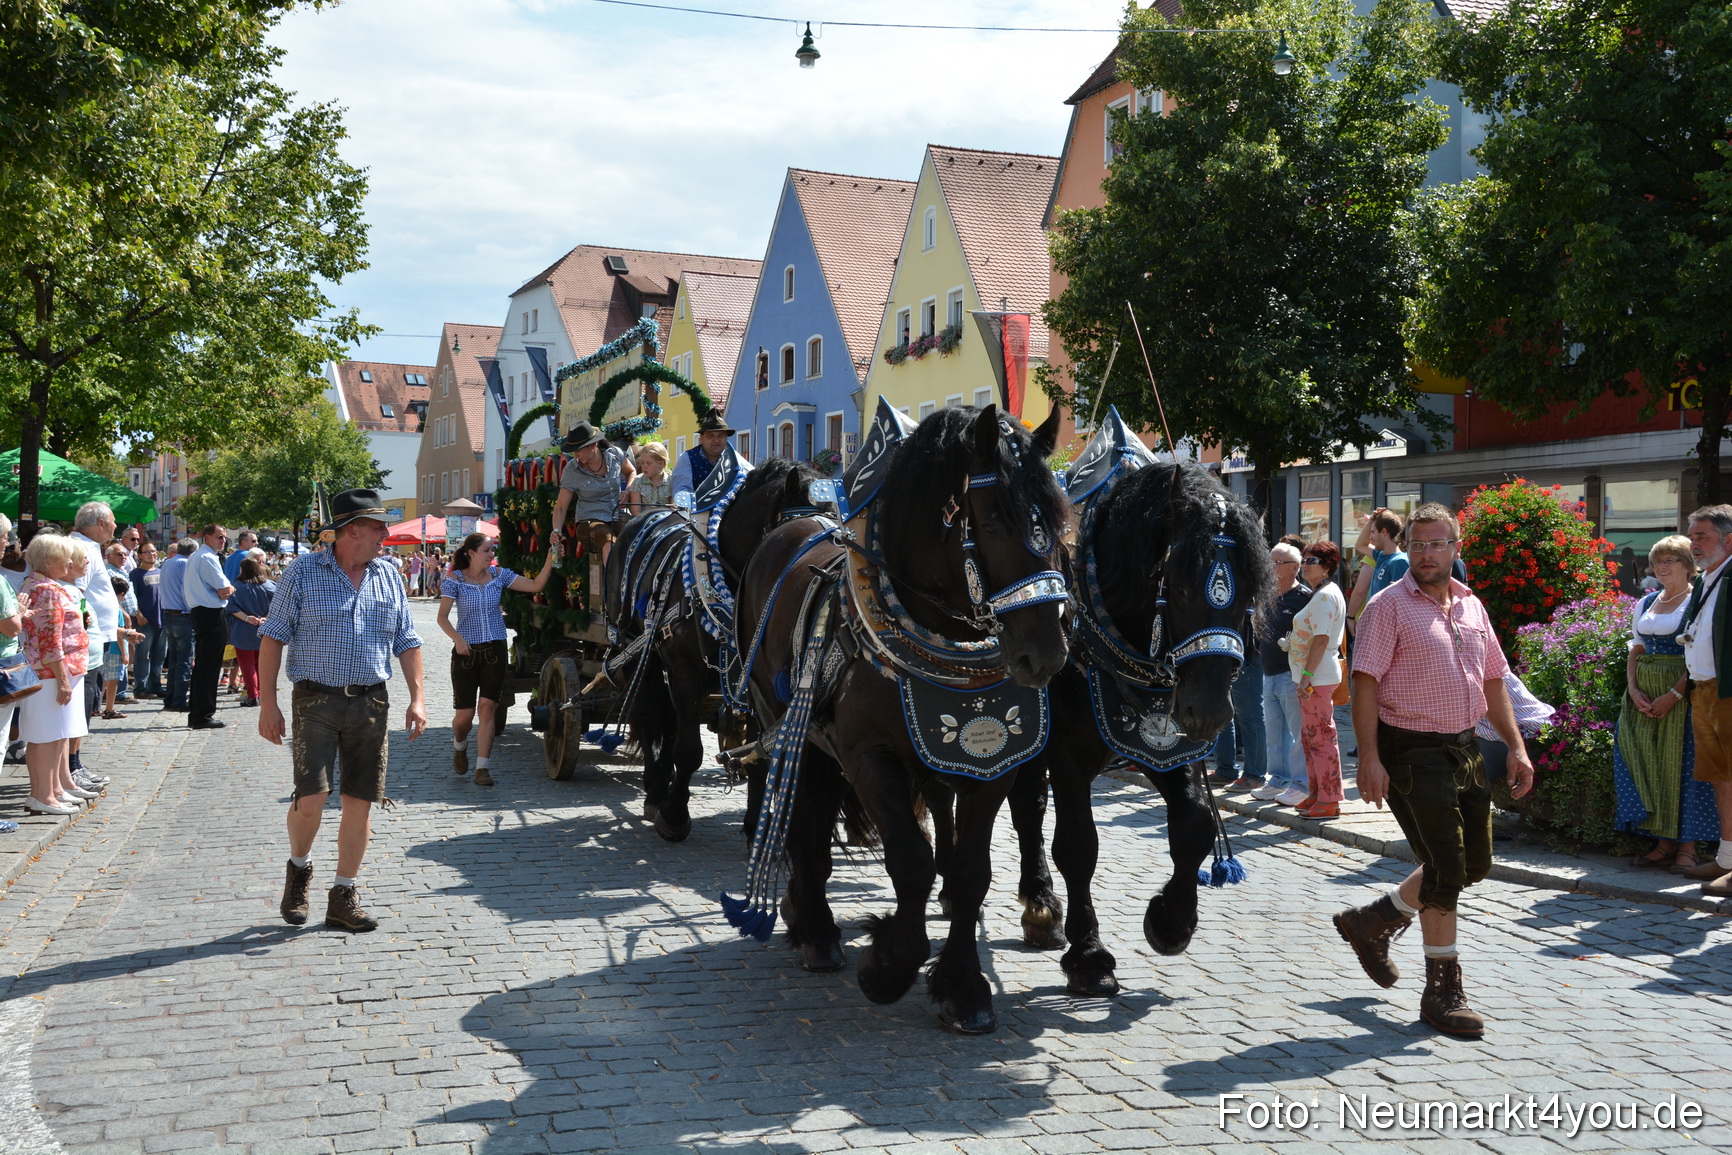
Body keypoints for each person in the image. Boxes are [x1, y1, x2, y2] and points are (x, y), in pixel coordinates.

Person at [1334, 502, 1533, 1039]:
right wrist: (1369, 758)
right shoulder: (1388, 607)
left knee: (1476, 863)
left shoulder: (1470, 604)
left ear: (1455, 548)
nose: (1426, 553)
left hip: (1465, 747)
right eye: (1418, 544)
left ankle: (1373, 919)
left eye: (1437, 543)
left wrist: (1515, 747)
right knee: (1446, 867)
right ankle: (1442, 990)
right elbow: (1365, 683)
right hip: (1410, 750)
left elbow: (1495, 681)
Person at [259, 488, 425, 933]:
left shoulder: (388, 574)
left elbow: (407, 640)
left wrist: (418, 698)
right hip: (315, 700)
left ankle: (343, 895)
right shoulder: (302, 572)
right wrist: (268, 704)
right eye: (378, 528)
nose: (385, 536)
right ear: (352, 530)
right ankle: (299, 870)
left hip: (371, 701)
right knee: (311, 799)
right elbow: (272, 637)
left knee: (359, 803)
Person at [1614, 537, 1719, 871]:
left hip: (1683, 692)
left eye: (1670, 560)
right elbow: (1637, 647)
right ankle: (1663, 843)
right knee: (1646, 762)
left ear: (1689, 565)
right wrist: (1632, 689)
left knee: (1683, 766)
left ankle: (1688, 848)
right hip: (1643, 693)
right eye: (1658, 561)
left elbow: (1699, 651)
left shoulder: (1698, 601)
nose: (1662, 567)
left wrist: (1674, 694)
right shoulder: (1646, 602)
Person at [437, 532, 558, 786]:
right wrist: (458, 639)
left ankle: (483, 768)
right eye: (487, 551)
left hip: (494, 650)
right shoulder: (455, 580)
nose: (492, 555)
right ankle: (460, 745)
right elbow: (442, 618)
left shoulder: (499, 575)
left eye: (493, 551)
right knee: (464, 718)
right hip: (465, 653)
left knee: (488, 708)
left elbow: (536, 585)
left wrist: (551, 555)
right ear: (471, 553)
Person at [18, 533, 103, 814]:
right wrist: (63, 678)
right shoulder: (46, 589)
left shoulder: (44, 585)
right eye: (65, 556)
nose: (70, 561)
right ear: (50, 560)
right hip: (49, 673)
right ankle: (42, 795)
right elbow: (48, 639)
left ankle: (53, 790)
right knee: (46, 734)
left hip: (55, 670)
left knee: (56, 733)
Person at [1672, 506, 1732, 897]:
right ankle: (1728, 858)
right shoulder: (1710, 578)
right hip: (1705, 691)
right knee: (1720, 776)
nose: (1694, 544)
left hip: (1728, 692)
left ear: (1729, 540)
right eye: (1692, 536)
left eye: (1702, 537)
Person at [1290, 540, 1348, 817]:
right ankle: (1317, 794)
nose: (1304, 565)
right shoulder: (1322, 593)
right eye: (1304, 559)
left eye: (1311, 561)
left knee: (1320, 737)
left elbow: (1322, 639)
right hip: (1314, 675)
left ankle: (1329, 798)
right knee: (1311, 736)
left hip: (1317, 676)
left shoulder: (1325, 596)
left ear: (1327, 566)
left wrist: (1306, 677)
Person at [1250, 544, 1311, 798]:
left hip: (1291, 673)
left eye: (1277, 563)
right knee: (1274, 733)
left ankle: (1301, 784)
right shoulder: (1266, 594)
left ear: (1295, 568)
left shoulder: (1305, 597)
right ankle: (1277, 779)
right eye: (1270, 561)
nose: (1271, 567)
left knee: (1298, 733)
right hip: (1269, 670)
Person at [549, 421, 636, 567]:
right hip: (589, 521)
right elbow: (561, 508)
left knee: (636, 532)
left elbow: (631, 471)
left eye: (578, 450)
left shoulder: (614, 454)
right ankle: (612, 584)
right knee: (606, 538)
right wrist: (556, 530)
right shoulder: (572, 471)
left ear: (592, 445)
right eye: (573, 451)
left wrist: (628, 490)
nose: (575, 455)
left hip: (617, 514)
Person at [184, 524, 234, 730]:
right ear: (207, 537)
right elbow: (225, 589)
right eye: (219, 537)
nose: (223, 541)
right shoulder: (206, 557)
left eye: (224, 538)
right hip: (210, 614)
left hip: (203, 612)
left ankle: (198, 713)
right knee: (209, 667)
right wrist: (230, 588)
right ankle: (203, 715)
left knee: (204, 666)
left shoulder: (198, 556)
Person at [1348, 508, 1408, 636]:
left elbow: (1402, 605)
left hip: (1387, 631)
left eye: (1373, 532)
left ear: (1384, 532)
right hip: (1376, 627)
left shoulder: (1399, 562)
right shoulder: (1381, 556)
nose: (1370, 538)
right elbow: (1360, 545)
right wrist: (1371, 520)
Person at [224, 557, 276, 708]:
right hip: (264, 630)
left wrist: (248, 618)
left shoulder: (237, 586)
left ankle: (253, 696)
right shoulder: (269, 585)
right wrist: (264, 618)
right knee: (261, 665)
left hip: (242, 631)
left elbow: (231, 608)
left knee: (247, 666)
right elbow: (280, 603)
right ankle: (260, 693)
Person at [670, 412, 746, 503]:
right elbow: (681, 490)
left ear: (726, 437)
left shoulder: (736, 459)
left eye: (720, 436)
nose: (716, 440)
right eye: (710, 436)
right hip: (696, 513)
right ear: (702, 438)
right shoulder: (687, 458)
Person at [159, 539, 196, 712]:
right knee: (184, 660)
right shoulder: (185, 564)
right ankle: (179, 700)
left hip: (168, 613)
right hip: (182, 615)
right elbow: (187, 590)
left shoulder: (168, 563)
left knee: (174, 659)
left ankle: (170, 697)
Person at [129, 541, 166, 698]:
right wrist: (138, 615)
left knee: (160, 655)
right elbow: (132, 597)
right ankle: (140, 688)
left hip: (162, 620)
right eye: (147, 552)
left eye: (153, 551)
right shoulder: (135, 574)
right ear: (140, 555)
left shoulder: (161, 572)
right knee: (143, 656)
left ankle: (155, 685)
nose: (151, 554)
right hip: (145, 621)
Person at [628, 441, 672, 511]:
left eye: (649, 463)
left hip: (665, 520)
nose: (644, 467)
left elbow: (673, 509)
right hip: (644, 520)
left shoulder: (671, 482)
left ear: (661, 464)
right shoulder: (638, 482)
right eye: (642, 463)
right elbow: (635, 512)